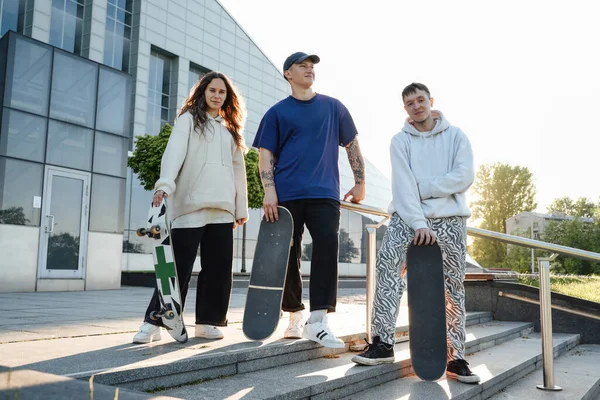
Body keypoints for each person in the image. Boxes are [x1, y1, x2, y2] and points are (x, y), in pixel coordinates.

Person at [351, 83, 480, 384]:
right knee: (387, 270)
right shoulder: (400, 141)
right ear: (405, 108)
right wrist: (419, 222)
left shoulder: (456, 136)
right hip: (406, 218)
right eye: (410, 103)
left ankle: (455, 357)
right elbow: (403, 185)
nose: (416, 106)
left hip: (450, 219)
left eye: (420, 100)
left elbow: (464, 176)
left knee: (452, 287)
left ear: (431, 101)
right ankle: (382, 343)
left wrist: (425, 188)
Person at [252, 52, 366, 349]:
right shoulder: (277, 112)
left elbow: (352, 145)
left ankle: (319, 321)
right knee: (287, 254)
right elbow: (265, 156)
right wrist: (269, 190)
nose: (309, 70)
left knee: (328, 246)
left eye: (311, 66)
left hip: (324, 193)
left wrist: (360, 183)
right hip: (287, 194)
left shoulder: (333, 107)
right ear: (288, 73)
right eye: (302, 66)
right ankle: (294, 313)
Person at [133, 71, 249, 344]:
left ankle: (208, 322)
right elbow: (173, 154)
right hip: (190, 206)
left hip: (222, 208)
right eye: (212, 90)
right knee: (176, 268)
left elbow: (238, 170)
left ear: (227, 97)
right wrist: (164, 185)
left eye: (222, 92)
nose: (217, 96)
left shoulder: (230, 129)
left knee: (218, 268)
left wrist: (240, 207)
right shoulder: (188, 121)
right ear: (202, 91)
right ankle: (154, 321)